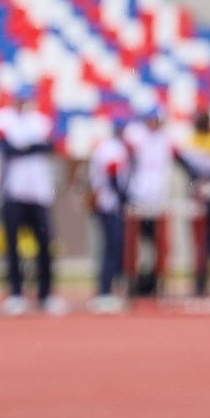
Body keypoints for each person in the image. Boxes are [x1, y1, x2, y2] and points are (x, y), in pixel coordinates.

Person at [0, 82, 67, 317]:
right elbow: (7, 150)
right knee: (12, 247)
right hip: (12, 191)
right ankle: (16, 293)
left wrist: (27, 148)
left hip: (39, 192)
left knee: (45, 245)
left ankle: (46, 294)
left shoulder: (39, 121)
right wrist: (33, 147)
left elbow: (50, 145)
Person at [177, 109, 210, 296]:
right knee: (198, 241)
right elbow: (185, 166)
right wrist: (196, 180)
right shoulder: (190, 143)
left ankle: (206, 279)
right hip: (196, 197)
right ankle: (199, 281)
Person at [122, 107, 176, 298]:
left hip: (158, 197)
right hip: (138, 194)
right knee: (134, 242)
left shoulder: (164, 138)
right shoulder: (136, 135)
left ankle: (156, 283)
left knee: (158, 242)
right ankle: (132, 282)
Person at [85, 124, 131, 312]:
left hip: (106, 203)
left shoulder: (105, 147)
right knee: (113, 248)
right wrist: (123, 198)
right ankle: (105, 291)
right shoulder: (112, 148)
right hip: (109, 204)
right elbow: (112, 175)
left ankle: (107, 289)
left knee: (112, 248)